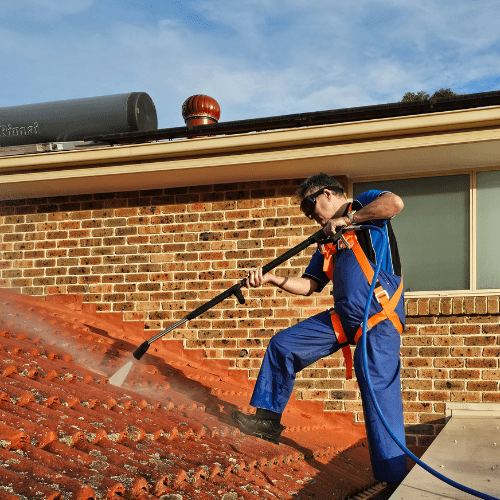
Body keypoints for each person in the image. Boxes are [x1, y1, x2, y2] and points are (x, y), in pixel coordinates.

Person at [232, 172, 407, 484]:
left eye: (310, 206)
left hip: (379, 317)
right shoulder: (326, 242)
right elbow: (310, 285)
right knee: (283, 345)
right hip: (343, 318)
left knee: (376, 390)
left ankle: (393, 481)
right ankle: (266, 422)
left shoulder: (364, 203)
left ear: (327, 194)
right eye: (305, 212)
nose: (310, 214)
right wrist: (272, 279)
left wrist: (349, 219)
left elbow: (394, 203)